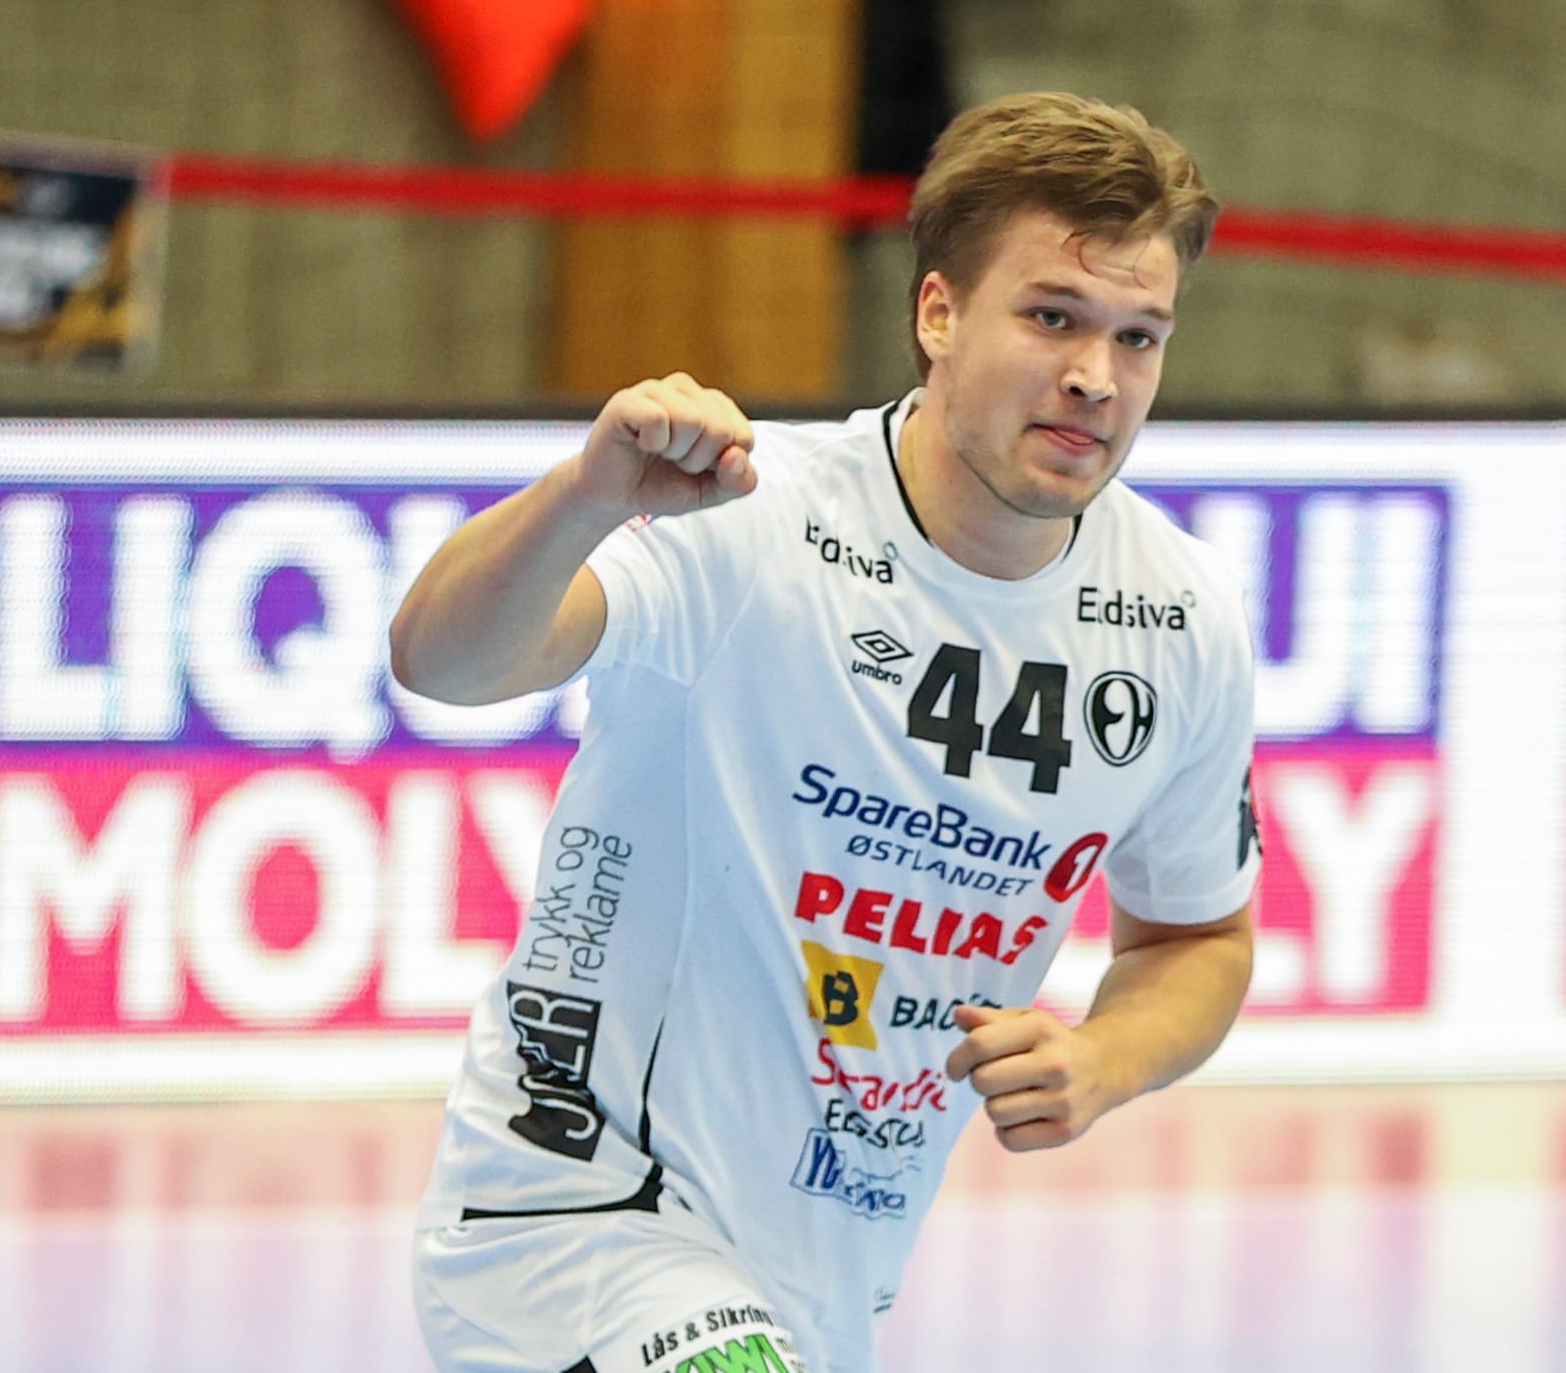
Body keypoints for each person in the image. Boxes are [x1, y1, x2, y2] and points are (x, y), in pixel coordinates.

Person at [396, 90, 1261, 1373]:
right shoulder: (751, 516)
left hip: (826, 1277)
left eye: (1139, 337)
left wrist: (1104, 1058)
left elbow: (1197, 938)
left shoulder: (1180, 619)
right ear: (938, 315)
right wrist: (584, 498)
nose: (1097, 375)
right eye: (1053, 317)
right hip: (574, 1222)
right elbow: (442, 662)